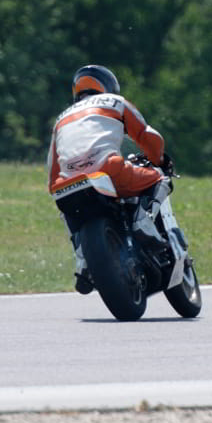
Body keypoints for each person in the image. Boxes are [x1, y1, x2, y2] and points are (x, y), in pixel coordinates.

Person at [47, 65, 172, 293]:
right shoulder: (115, 101)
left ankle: (82, 260)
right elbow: (146, 135)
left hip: (67, 182)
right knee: (160, 179)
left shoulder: (60, 120)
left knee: (68, 211)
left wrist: (58, 187)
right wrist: (159, 159)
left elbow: (52, 170)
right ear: (108, 85)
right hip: (109, 169)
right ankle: (142, 222)